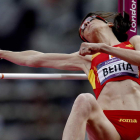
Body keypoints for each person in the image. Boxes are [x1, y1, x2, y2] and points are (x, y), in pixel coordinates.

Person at [0, 11, 140, 140]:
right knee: (84, 100)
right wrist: (3, 53)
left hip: (137, 119)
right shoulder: (88, 58)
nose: (86, 24)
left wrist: (103, 48)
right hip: (108, 125)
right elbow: (36, 58)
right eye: (82, 29)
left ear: (108, 24)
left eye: (90, 20)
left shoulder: (133, 43)